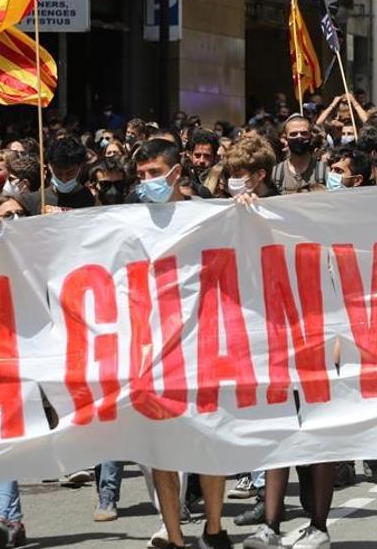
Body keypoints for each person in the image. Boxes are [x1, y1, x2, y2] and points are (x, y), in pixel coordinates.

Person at [131, 139, 232, 549]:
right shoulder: (127, 220)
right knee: (161, 452)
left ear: (176, 172)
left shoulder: (205, 215)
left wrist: (247, 209)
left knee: (210, 441)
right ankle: (174, 536)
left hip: (201, 344)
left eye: (154, 173)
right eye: (141, 176)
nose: (147, 182)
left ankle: (213, 527)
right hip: (151, 349)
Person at [272, 114, 322, 194]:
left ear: (311, 136)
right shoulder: (275, 174)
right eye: (293, 134)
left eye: (304, 133)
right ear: (286, 138)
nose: (299, 137)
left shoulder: (324, 171)